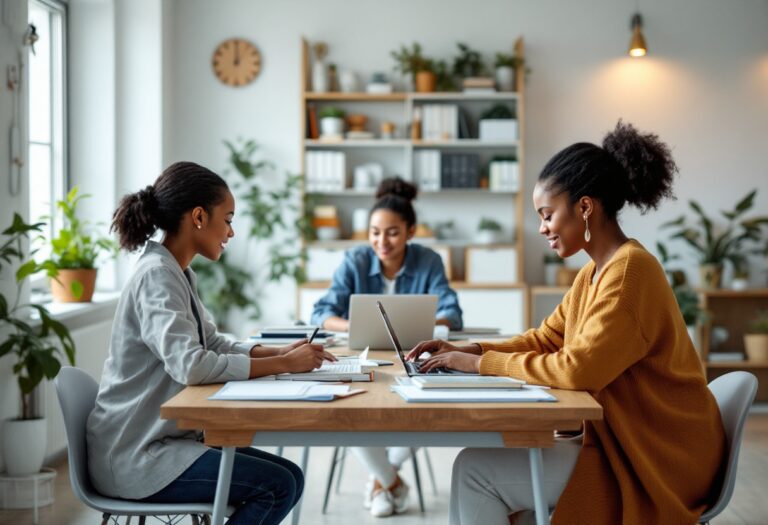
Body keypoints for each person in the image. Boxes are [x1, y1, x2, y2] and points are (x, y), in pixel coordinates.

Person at [407, 122, 727, 525]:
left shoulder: (630, 273)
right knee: (475, 470)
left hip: (660, 454)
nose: (542, 228)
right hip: (626, 439)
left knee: (474, 473)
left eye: (547, 214)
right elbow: (545, 340)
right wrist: (470, 350)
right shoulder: (594, 273)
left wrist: (476, 365)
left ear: (585, 207)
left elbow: (577, 369)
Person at [86, 162, 335, 525]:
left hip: (160, 443)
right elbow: (191, 365)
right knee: (277, 486)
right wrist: (284, 365)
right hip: (136, 456)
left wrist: (280, 352)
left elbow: (212, 343)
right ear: (199, 217)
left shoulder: (177, 271)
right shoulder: (158, 276)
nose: (231, 232)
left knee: (291, 478)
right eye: (228, 219)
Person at [311, 177, 463, 517]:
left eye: (392, 232)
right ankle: (390, 481)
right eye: (375, 232)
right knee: (344, 409)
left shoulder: (429, 260)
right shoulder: (355, 261)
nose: (382, 241)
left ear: (410, 231)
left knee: (433, 406)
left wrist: (432, 325)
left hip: (411, 357)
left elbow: (452, 311)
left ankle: (382, 481)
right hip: (362, 357)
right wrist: (355, 323)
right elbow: (322, 313)